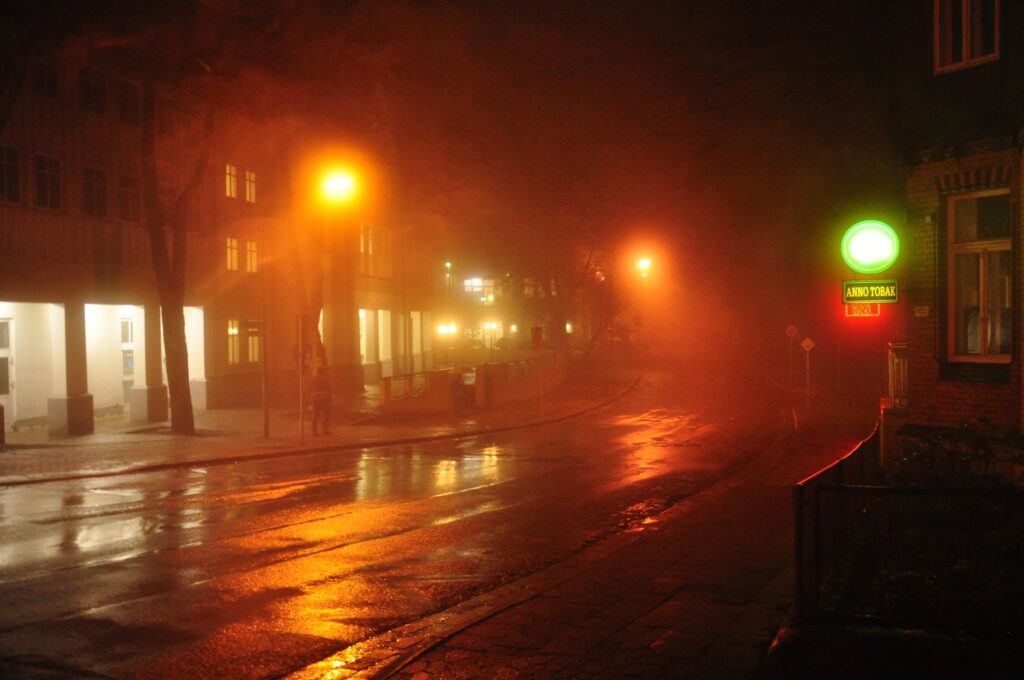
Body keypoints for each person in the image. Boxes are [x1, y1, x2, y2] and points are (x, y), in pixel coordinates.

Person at [311, 367, 332, 435]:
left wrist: (311, 398)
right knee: (326, 415)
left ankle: (314, 431)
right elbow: (329, 389)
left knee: (316, 415)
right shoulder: (325, 379)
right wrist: (329, 399)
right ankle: (324, 430)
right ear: (323, 372)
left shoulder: (314, 380)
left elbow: (309, 389)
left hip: (316, 399)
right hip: (324, 399)